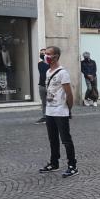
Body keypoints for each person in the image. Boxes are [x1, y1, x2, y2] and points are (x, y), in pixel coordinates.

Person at [39, 46, 78, 177]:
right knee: (53, 139)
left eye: (49, 54)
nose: (46, 56)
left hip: (61, 111)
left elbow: (69, 94)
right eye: (45, 54)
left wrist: (68, 108)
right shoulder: (48, 72)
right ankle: (54, 163)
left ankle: (72, 165)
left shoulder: (63, 73)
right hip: (50, 111)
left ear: (56, 56)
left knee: (66, 140)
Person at [36, 48, 49, 124]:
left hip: (50, 86)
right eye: (41, 53)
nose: (42, 55)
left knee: (51, 102)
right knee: (44, 102)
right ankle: (45, 117)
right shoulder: (39, 64)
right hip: (41, 85)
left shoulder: (52, 64)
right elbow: (42, 74)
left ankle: (52, 117)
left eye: (44, 53)